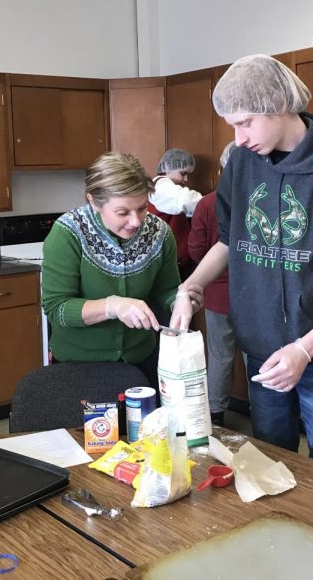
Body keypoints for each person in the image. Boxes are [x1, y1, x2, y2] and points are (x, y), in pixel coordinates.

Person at [172, 54, 313, 471]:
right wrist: (190, 288)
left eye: (246, 122)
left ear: (280, 106)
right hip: (263, 351)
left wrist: (305, 350)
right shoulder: (241, 164)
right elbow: (230, 240)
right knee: (271, 461)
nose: (238, 137)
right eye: (232, 125)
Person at [41, 152, 199, 383]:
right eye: (122, 212)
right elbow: (58, 309)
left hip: (141, 361)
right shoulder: (68, 233)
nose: (136, 221)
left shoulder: (159, 233)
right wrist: (111, 306)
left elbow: (165, 290)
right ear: (94, 202)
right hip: (78, 366)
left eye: (143, 208)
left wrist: (182, 299)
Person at [187, 141, 244, 427]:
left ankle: (216, 416)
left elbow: (195, 250)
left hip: (218, 294)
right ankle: (268, 421)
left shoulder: (207, 203)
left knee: (220, 357)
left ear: (222, 167)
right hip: (253, 297)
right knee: (258, 360)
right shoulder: (257, 200)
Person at [148, 148, 203, 280]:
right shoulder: (161, 186)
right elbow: (187, 200)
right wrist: (210, 203)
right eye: (183, 173)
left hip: (176, 261)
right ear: (168, 167)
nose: (186, 179)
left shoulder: (169, 187)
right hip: (169, 264)